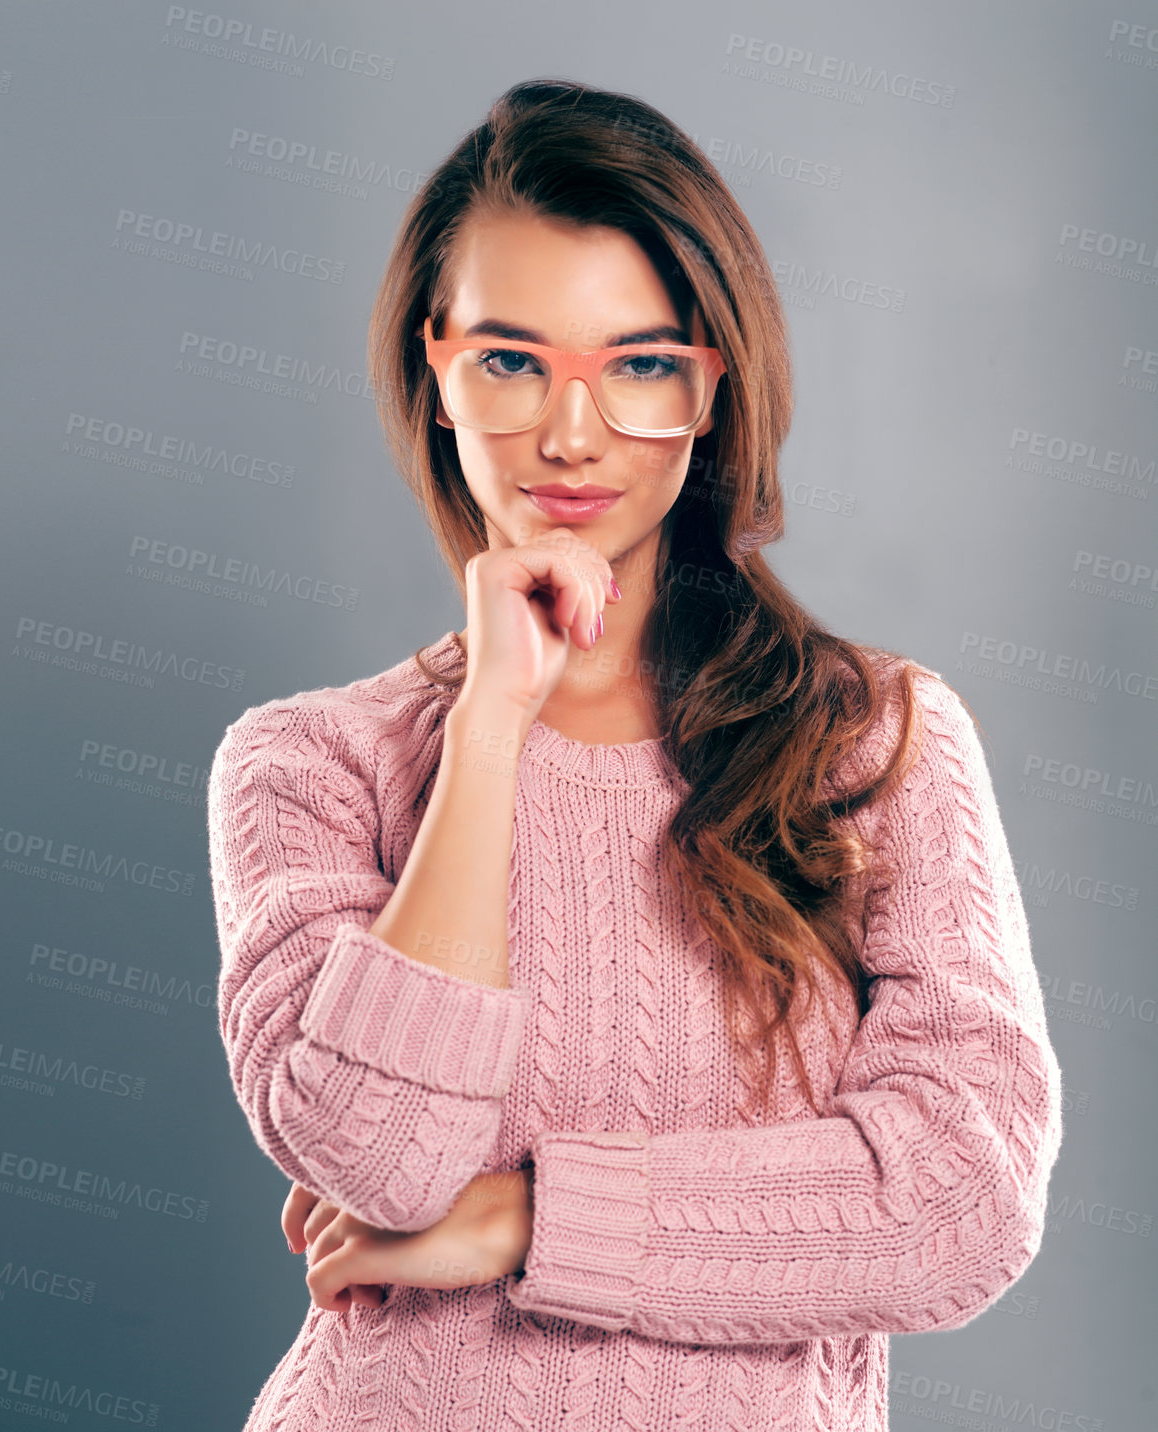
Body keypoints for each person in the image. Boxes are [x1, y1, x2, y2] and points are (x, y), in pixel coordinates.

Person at [206, 78, 1063, 1432]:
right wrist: (489, 725)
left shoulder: (871, 741)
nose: (570, 432)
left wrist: (533, 1219)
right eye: (508, 360)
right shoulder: (309, 763)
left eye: (641, 365)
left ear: (714, 388)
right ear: (434, 373)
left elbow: (960, 1200)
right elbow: (383, 1161)